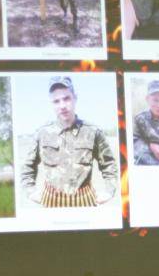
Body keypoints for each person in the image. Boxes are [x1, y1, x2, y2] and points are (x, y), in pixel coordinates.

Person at [21, 76, 118, 207]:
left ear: (75, 98)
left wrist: (109, 191)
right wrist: (30, 191)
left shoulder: (92, 132)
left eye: (66, 98)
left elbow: (109, 164)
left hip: (84, 203)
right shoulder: (42, 133)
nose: (62, 106)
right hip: (51, 203)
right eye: (56, 101)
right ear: (51, 104)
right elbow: (27, 166)